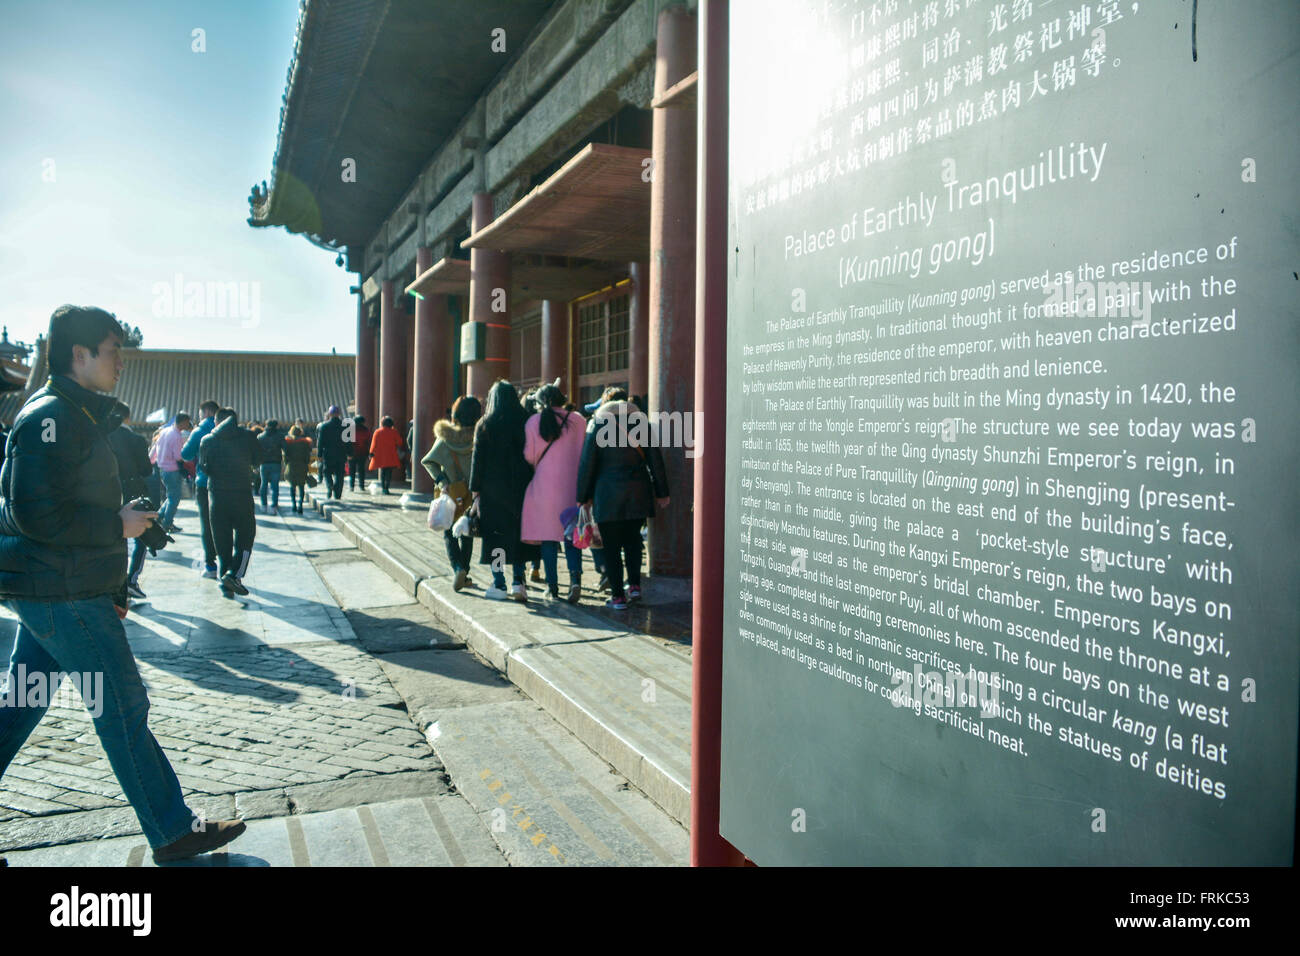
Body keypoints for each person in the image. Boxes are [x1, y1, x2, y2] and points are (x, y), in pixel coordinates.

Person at [0, 305, 245, 862]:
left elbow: (60, 505)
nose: (121, 363)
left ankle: (171, 828)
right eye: (113, 351)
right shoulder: (52, 415)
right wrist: (116, 524)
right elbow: (34, 514)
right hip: (61, 591)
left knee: (20, 704)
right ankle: (172, 830)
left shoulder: (72, 412)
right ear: (79, 355)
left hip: (56, 588)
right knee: (122, 705)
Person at [576, 394, 669, 609]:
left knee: (611, 547)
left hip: (607, 494)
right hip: (638, 493)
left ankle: (618, 596)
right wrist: (662, 491)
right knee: (633, 541)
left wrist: (582, 497)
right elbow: (655, 458)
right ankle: (635, 586)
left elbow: (587, 463)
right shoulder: (640, 424)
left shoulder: (597, 425)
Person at [469, 380, 533, 602]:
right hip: (521, 489)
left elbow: (477, 461)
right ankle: (519, 582)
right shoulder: (526, 421)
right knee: (518, 537)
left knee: (495, 540)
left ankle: (499, 584)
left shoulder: (485, 424)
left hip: (492, 492)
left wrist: (475, 490)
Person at [522, 384, 586, 602]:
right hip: (573, 485)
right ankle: (576, 580)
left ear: (539, 403)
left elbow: (529, 457)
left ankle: (553, 586)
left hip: (544, 487)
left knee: (548, 539)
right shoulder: (578, 420)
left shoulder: (533, 422)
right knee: (572, 536)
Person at [199, 407, 260, 596]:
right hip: (242, 493)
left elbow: (204, 467)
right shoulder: (249, 436)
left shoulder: (207, 440)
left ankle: (224, 577)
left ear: (216, 422)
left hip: (217, 495)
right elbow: (258, 460)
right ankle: (234, 574)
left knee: (221, 540)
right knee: (246, 536)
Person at [422, 396, 480, 591]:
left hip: (450, 493)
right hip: (472, 494)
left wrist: (442, 481)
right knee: (467, 533)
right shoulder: (480, 437)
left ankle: (457, 569)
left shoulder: (445, 438)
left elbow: (428, 461)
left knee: (449, 533)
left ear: (456, 415)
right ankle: (464, 571)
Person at [108, 422, 157, 600]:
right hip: (133, 492)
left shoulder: (101, 435)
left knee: (112, 537)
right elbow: (147, 470)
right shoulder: (136, 439)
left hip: (108, 494)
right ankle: (132, 580)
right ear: (127, 418)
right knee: (140, 538)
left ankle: (115, 585)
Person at [180, 400, 221, 578]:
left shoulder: (199, 432)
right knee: (225, 523)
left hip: (204, 483)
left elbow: (185, 454)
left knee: (207, 522)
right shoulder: (229, 430)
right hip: (227, 484)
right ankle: (228, 563)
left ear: (204, 412)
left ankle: (211, 565)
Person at [154, 412, 191, 534]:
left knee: (170, 496)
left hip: (162, 468)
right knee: (174, 498)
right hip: (172, 469)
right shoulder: (176, 436)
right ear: (183, 422)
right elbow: (178, 456)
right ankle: (167, 523)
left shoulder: (165, 431)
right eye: (187, 422)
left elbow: (156, 447)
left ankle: (159, 516)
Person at [315, 405, 347, 500]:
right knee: (340, 473)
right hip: (341, 454)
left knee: (327, 472)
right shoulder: (345, 426)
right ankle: (338, 493)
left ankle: (330, 486)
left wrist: (319, 454)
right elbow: (349, 442)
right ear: (339, 414)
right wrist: (350, 453)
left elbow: (320, 442)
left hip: (328, 454)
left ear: (329, 414)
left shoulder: (324, 426)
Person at [256, 418, 287, 513]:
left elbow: (256, 451)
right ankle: (273, 506)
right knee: (275, 486)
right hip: (276, 463)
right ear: (276, 426)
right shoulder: (280, 436)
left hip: (263, 463)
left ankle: (263, 505)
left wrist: (256, 464)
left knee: (264, 484)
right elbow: (286, 449)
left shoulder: (260, 437)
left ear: (266, 425)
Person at [368, 415, 405, 494]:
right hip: (391, 454)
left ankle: (383, 487)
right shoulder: (394, 432)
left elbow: (373, 444)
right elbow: (399, 442)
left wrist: (371, 453)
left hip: (380, 454)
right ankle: (386, 487)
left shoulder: (377, 432)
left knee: (382, 471)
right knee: (389, 472)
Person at [282, 424, 314, 514]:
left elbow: (285, 456)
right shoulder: (305, 443)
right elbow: (308, 457)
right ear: (300, 432)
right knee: (301, 486)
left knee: (292, 486)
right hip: (302, 466)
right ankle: (300, 504)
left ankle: (293, 504)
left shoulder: (288, 442)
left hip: (291, 466)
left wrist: (286, 463)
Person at [350, 415, 372, 491]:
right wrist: (370, 452)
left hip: (352, 453)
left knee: (352, 470)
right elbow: (369, 442)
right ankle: (361, 486)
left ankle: (351, 486)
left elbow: (348, 442)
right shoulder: (366, 430)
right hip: (363, 452)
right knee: (361, 470)